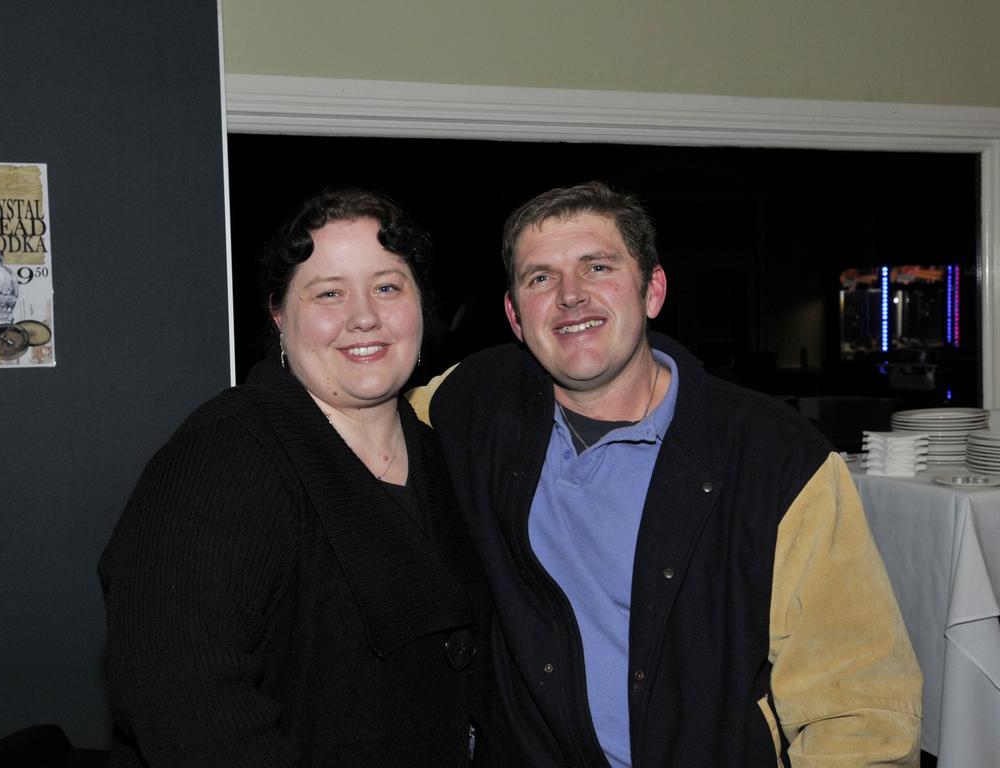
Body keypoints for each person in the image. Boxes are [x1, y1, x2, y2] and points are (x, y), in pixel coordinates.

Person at [409, 181, 922, 767]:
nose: (570, 296)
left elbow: (858, 710)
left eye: (597, 266)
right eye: (540, 278)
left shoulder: (776, 460)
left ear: (652, 290)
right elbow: (359, 419)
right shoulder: (474, 406)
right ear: (516, 317)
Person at [99, 189, 493, 767]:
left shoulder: (442, 453)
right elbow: (181, 704)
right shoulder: (225, 456)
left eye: (387, 286)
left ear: (419, 305)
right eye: (329, 293)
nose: (364, 316)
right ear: (280, 315)